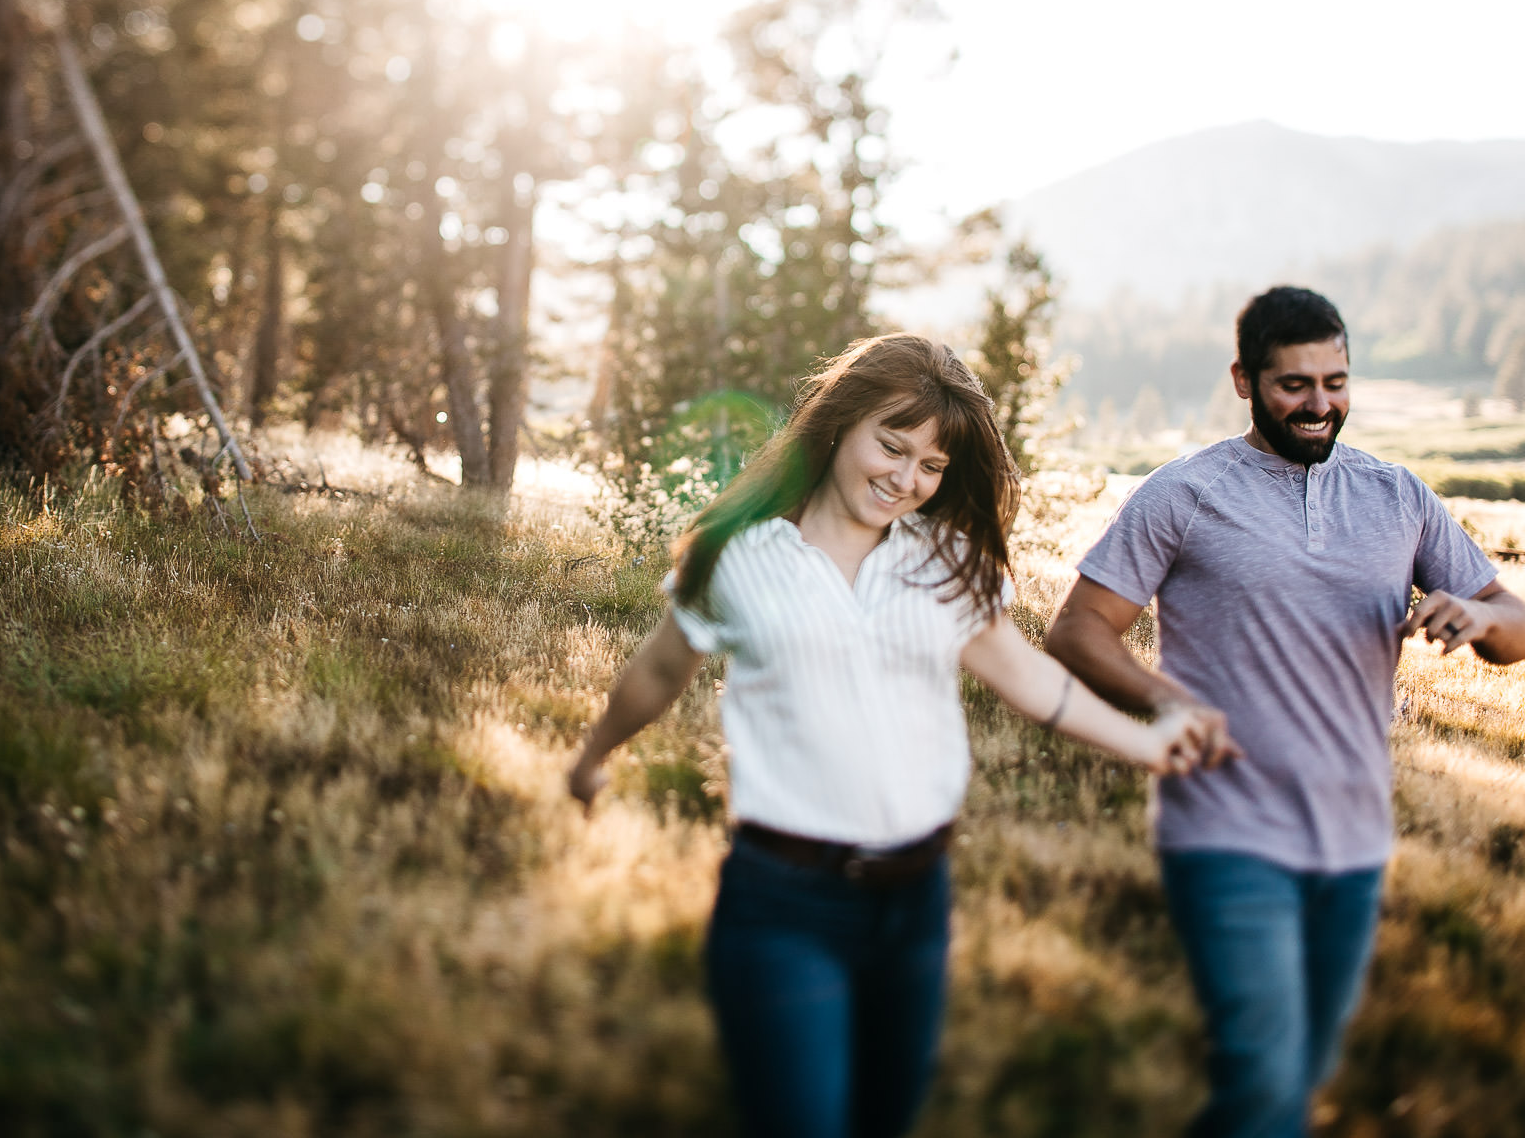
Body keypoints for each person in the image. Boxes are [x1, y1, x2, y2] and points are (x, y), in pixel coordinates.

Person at [567, 332, 1222, 1138]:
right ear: (838, 423)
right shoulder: (738, 553)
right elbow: (659, 672)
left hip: (916, 900)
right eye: (892, 445)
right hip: (784, 902)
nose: (906, 480)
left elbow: (1028, 677)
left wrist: (1152, 742)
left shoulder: (944, 560)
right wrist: (593, 755)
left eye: (932, 467)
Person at [1044, 285, 1525, 1137]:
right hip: (1226, 831)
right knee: (1264, 1084)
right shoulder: (1184, 493)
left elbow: (1512, 625)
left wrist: (1482, 616)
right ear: (1244, 379)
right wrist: (1168, 702)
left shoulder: (1398, 496)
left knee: (1290, 1088)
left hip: (1352, 843)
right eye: (1294, 385)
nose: (1320, 404)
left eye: (1336, 382)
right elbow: (1078, 628)